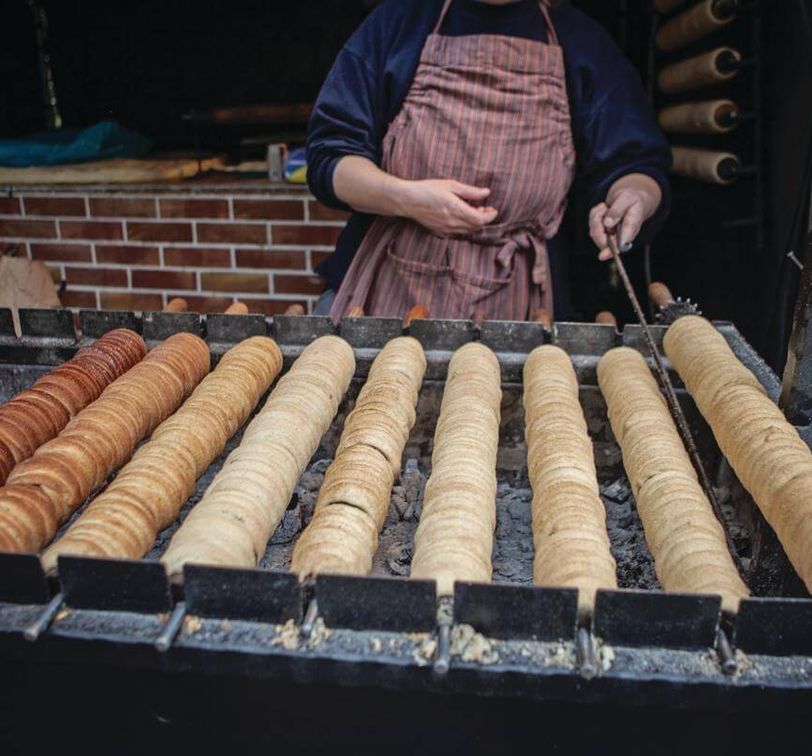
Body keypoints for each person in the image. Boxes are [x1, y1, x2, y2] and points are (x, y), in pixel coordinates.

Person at [307, 0, 671, 322]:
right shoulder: (398, 21)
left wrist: (634, 197)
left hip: (525, 302)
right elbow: (331, 159)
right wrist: (407, 199)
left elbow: (637, 165)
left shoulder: (582, 42)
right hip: (384, 291)